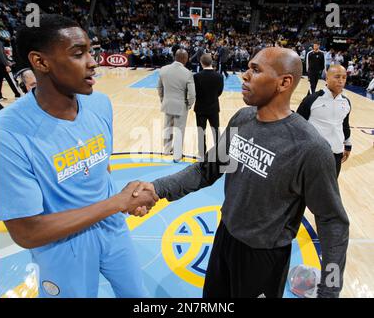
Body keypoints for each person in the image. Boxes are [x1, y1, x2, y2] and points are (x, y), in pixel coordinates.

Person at [133, 47, 349, 298]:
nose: (244, 76)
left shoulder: (310, 148)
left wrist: (329, 291)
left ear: (284, 82)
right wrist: (157, 188)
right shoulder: (243, 119)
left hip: (264, 258)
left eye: (255, 70)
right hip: (225, 238)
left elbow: (332, 222)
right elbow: (207, 169)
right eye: (248, 68)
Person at [0, 14, 158, 298]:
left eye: (91, 51)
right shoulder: (6, 133)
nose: (93, 62)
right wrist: (117, 202)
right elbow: (27, 233)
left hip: (111, 226)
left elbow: (100, 168)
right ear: (40, 62)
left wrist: (126, 201)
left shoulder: (99, 103)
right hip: (62, 244)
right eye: (78, 53)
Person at [297, 65, 352, 177]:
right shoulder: (312, 99)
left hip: (336, 154)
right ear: (327, 78)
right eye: (337, 77)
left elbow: (345, 125)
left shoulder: (346, 102)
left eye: (344, 77)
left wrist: (348, 146)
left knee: (330, 190)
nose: (341, 80)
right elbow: (297, 125)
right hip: (313, 154)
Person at [157, 49, 196, 162]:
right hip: (181, 106)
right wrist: (189, 104)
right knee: (179, 130)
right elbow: (192, 93)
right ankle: (177, 156)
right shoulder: (187, 73)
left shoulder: (163, 69)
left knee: (167, 127)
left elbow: (159, 88)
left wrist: (163, 100)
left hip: (167, 103)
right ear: (184, 59)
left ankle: (166, 150)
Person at [193, 53, 224, 158]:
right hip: (214, 107)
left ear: (201, 63)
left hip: (200, 108)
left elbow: (195, 92)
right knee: (215, 130)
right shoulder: (219, 76)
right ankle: (219, 153)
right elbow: (219, 92)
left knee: (201, 132)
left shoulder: (196, 76)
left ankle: (202, 154)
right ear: (212, 62)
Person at [0, 28, 21, 101]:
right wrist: (6, 64)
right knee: (11, 80)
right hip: (2, 65)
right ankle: (17, 94)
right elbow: (1, 55)